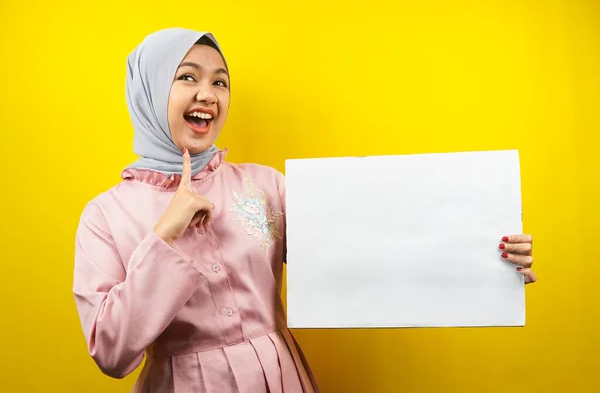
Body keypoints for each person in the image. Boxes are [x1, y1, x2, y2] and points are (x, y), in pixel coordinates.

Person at [72, 27, 537, 393]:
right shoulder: (105, 215)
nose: (208, 94)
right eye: (187, 76)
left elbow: (367, 251)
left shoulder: (265, 184)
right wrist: (165, 235)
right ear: (149, 91)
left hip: (280, 378)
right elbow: (111, 353)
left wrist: (487, 258)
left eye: (220, 81)